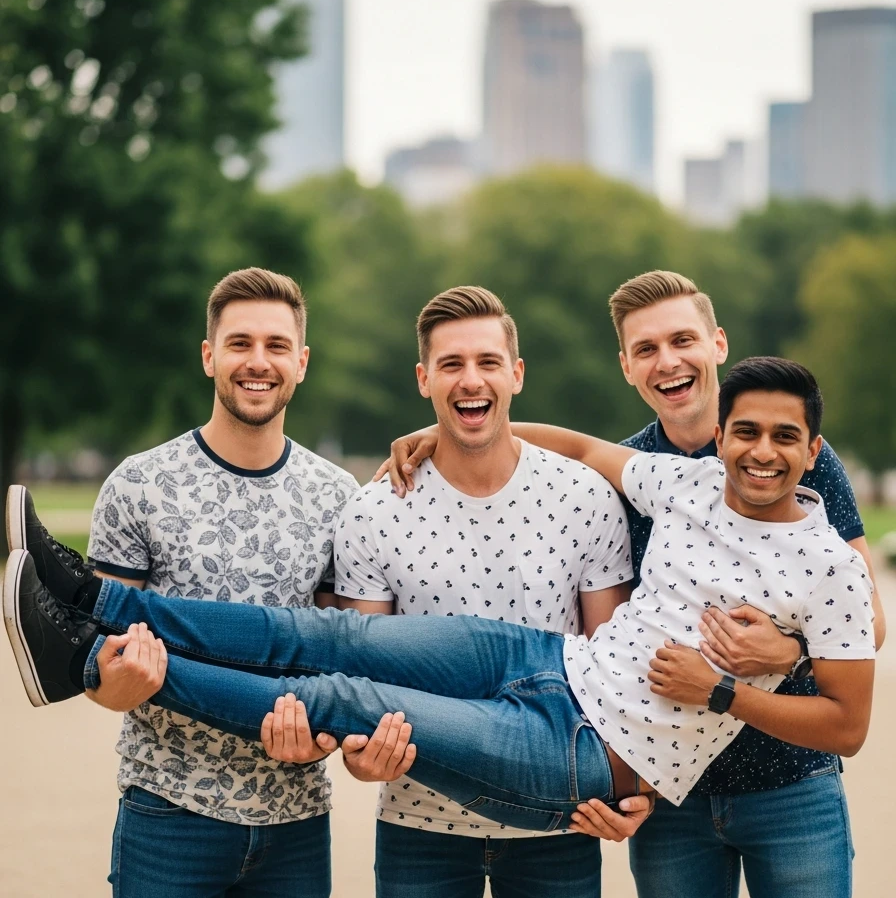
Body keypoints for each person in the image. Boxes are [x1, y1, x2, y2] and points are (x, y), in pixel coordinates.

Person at [384, 270, 886, 898]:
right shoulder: (631, 478)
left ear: (717, 344)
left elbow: (864, 620)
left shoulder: (801, 458)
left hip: (794, 791)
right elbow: (608, 633)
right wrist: (448, 429)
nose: (669, 362)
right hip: (677, 802)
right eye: (647, 349)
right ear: (627, 365)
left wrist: (777, 649)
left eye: (681, 342)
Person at [5, 358, 875, 841]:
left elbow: (848, 726)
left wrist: (725, 693)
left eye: (784, 437)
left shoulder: (829, 566)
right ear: (723, 435)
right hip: (546, 662)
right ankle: (90, 595)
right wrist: (448, 429)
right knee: (327, 636)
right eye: (748, 432)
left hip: (584, 750)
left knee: (347, 700)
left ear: (814, 449)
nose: (762, 451)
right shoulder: (684, 482)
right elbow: (574, 440)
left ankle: (78, 656)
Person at [3, 267, 411, 898]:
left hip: (292, 823)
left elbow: (336, 660)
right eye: (240, 343)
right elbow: (106, 677)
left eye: (275, 346)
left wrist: (315, 742)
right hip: (167, 815)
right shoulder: (138, 485)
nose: (257, 362)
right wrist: (114, 682)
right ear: (209, 356)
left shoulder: (336, 498)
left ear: (301, 363)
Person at [280, 285, 642, 898]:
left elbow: (612, 675)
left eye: (488, 361)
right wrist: (362, 758)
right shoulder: (375, 512)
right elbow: (359, 676)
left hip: (555, 825)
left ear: (516, 375)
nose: (470, 378)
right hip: (419, 825)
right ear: (424, 381)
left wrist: (630, 784)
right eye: (452, 363)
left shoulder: (582, 500)